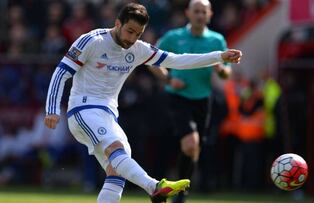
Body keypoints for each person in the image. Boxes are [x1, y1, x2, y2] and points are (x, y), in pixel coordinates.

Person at [43, 3, 242, 203]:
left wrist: (218, 57)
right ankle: (155, 187)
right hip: (82, 110)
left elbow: (177, 60)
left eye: (138, 34)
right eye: (129, 31)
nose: (131, 39)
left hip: (109, 115)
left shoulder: (139, 49)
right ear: (117, 23)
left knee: (118, 170)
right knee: (116, 149)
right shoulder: (92, 41)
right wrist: (52, 109)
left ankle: (151, 188)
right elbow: (61, 73)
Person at [149, 0, 232, 202]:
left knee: (194, 148)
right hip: (178, 97)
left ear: (210, 14)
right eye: (196, 11)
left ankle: (180, 189)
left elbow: (226, 73)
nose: (200, 15)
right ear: (188, 13)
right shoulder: (173, 37)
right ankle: (179, 193)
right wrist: (169, 78)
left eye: (204, 12)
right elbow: (152, 60)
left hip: (203, 99)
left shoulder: (216, 40)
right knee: (190, 143)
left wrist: (221, 70)